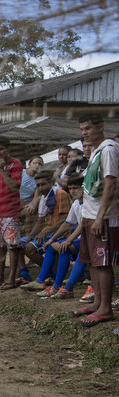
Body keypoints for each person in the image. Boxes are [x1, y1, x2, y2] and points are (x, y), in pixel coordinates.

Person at [73, 114, 119, 326]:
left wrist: (100, 217)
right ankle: (98, 302)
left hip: (105, 216)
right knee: (93, 262)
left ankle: (106, 309)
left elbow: (110, 185)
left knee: (102, 263)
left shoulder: (109, 149)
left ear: (100, 126)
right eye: (82, 129)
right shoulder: (95, 151)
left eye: (88, 128)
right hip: (90, 215)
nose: (84, 133)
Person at [23, 173, 84, 297]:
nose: (72, 191)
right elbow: (67, 223)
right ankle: (48, 282)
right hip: (77, 237)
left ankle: (63, 286)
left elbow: (81, 225)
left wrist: (67, 240)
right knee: (51, 246)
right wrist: (52, 239)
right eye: (70, 188)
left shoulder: (86, 202)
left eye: (76, 188)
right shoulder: (76, 203)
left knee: (64, 248)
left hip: (86, 238)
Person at [0, 137, 24, 290]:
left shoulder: (16, 164)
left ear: (8, 149)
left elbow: (14, 187)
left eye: (1, 149)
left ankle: (11, 278)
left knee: (13, 246)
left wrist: (2, 170)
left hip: (10, 212)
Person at [21, 170, 71, 271]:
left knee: (29, 249)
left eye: (43, 184)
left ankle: (51, 271)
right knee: (17, 244)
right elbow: (40, 222)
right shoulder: (43, 198)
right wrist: (30, 236)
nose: (40, 188)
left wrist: (45, 231)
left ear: (51, 183)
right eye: (38, 185)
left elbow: (64, 220)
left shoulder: (60, 194)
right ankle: (24, 273)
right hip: (48, 230)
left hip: (61, 232)